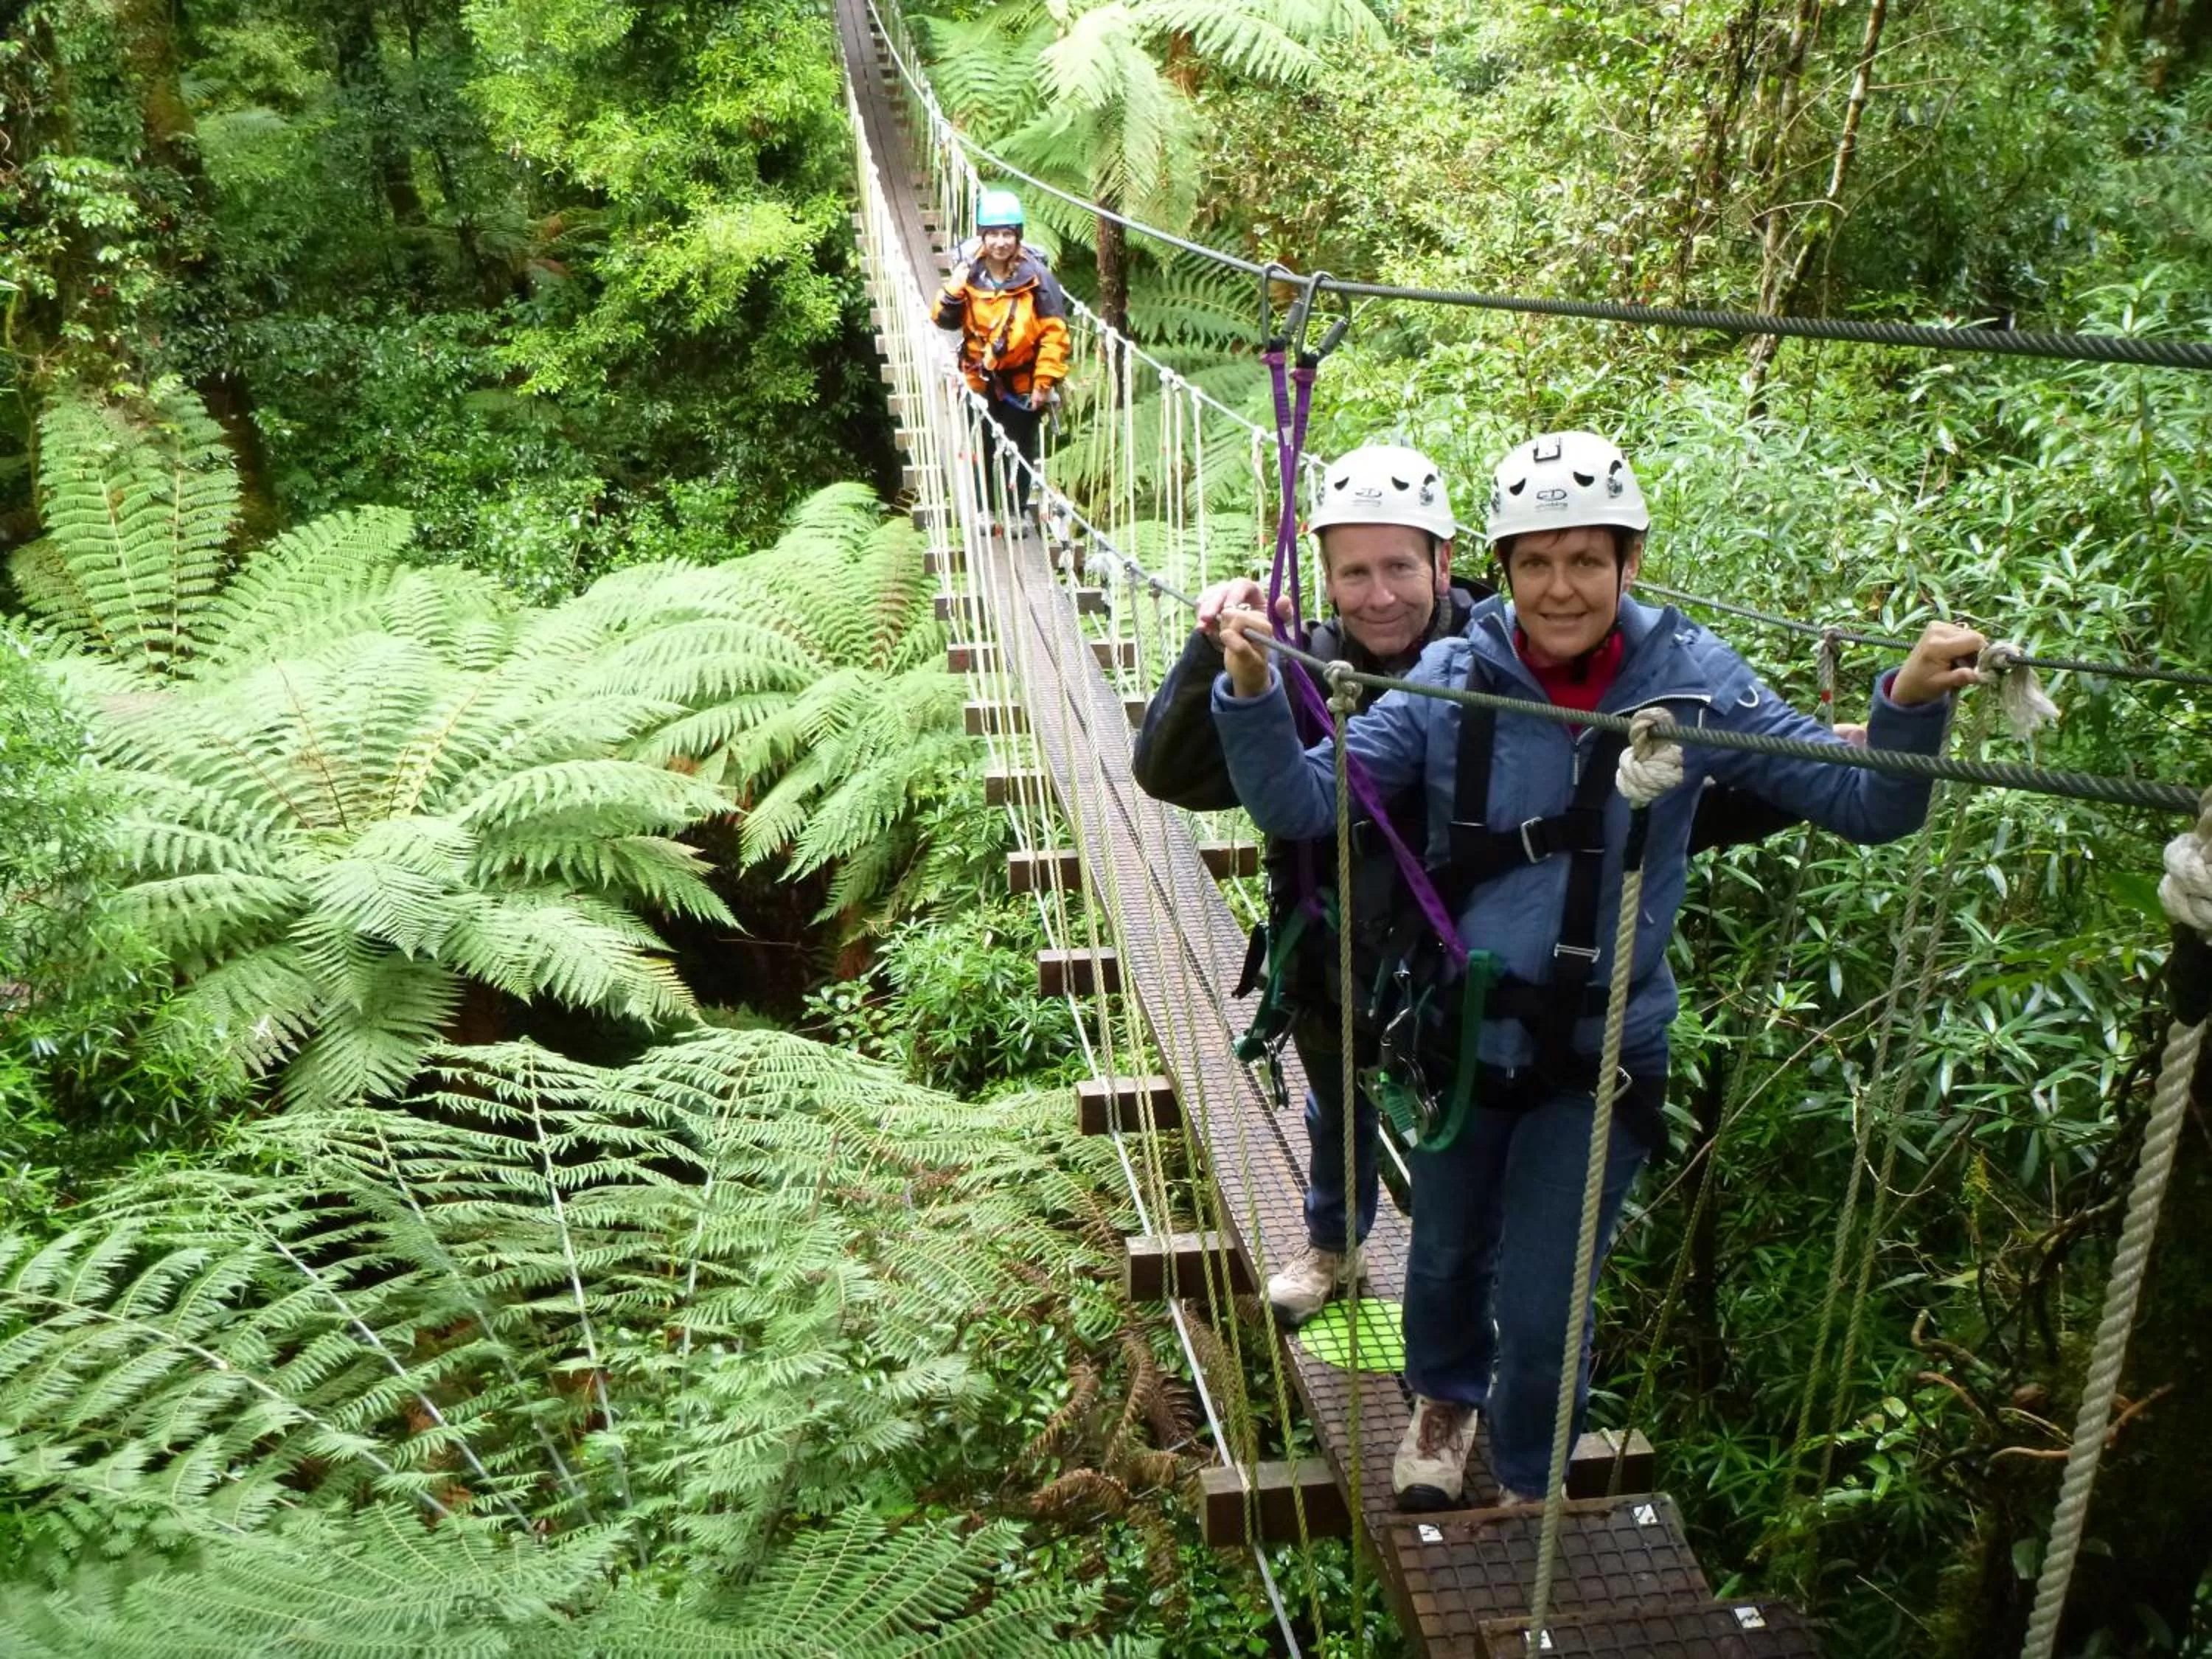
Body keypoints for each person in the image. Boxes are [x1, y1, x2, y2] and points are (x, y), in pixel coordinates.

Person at [1209, 430, 1985, 1510]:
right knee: (1442, 1256)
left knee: (1545, 1299)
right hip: (1461, 1034)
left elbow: (1867, 806)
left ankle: (1532, 1483)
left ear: (1629, 561)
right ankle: (1443, 1399)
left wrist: (1908, 702)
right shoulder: (1452, 679)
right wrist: (1251, 686)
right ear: (1501, 569)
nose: (1560, 587)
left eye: (1586, 559)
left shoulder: (1693, 681)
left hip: (1601, 1048)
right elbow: (1304, 802)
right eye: (1535, 561)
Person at [1134, 443, 1490, 1328]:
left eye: (1400, 567)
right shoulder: (1300, 670)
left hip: (1459, 968)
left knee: (1461, 1143)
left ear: (1444, 561)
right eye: (1354, 572)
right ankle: (1334, 1246)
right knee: (1337, 1109)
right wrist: (1220, 655)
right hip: (1331, 945)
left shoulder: (1500, 665)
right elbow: (1169, 774)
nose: (1379, 595)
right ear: (1325, 578)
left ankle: (1458, 1316)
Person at [933, 189, 1069, 517]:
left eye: (1007, 234)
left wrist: (1044, 383)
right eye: (993, 234)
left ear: (1018, 236)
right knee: (982, 441)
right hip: (977, 376)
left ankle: (1014, 511)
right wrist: (955, 286)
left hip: (1023, 379)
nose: (1000, 242)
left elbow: (1054, 333)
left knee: (1019, 446)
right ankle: (986, 509)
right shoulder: (969, 272)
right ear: (982, 235)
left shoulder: (1037, 277)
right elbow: (943, 319)